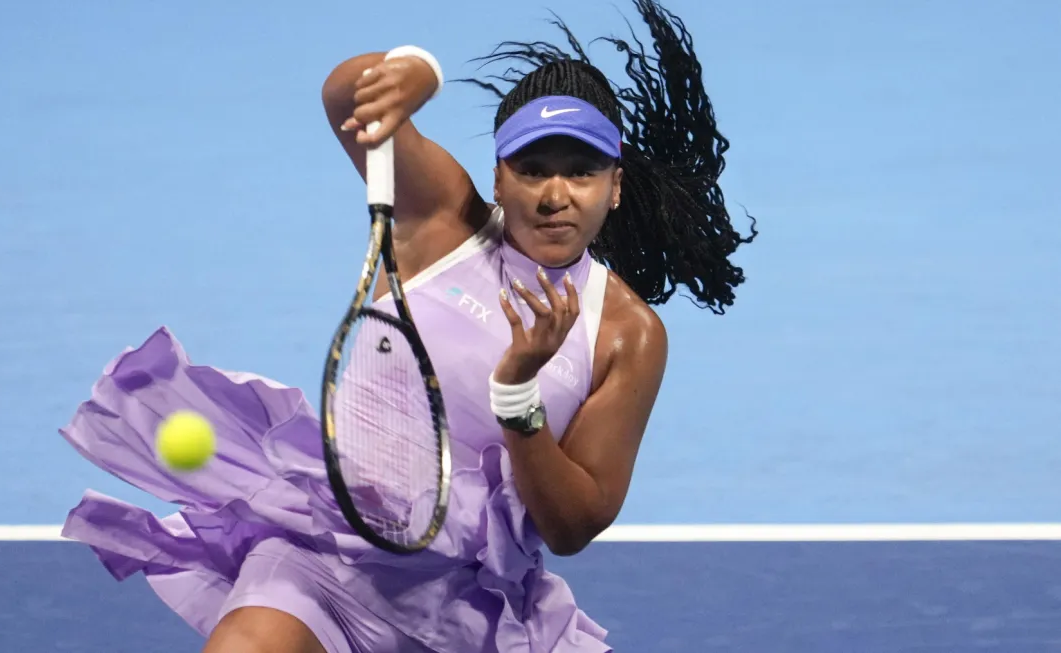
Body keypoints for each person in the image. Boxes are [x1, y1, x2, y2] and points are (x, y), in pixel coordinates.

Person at [56, 1, 756, 651]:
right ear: (499, 175)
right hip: (322, 559)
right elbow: (344, 93)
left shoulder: (624, 334)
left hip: (471, 607)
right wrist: (417, 69)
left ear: (615, 185)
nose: (552, 194)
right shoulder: (440, 222)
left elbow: (572, 525)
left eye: (580, 172)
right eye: (532, 168)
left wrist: (517, 399)